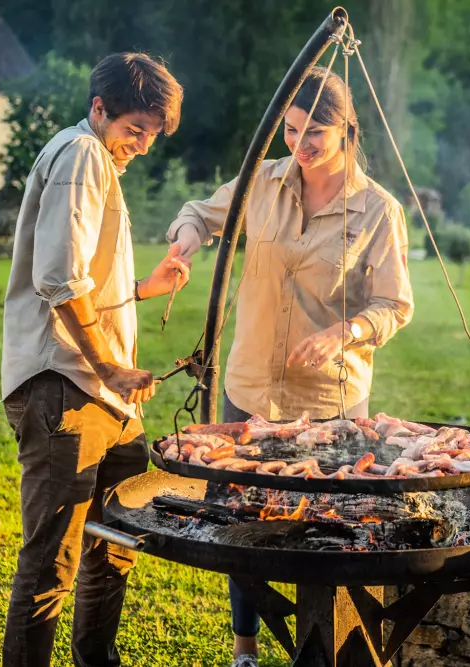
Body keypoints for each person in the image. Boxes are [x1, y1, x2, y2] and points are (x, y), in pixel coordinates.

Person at [165, 67, 414, 667]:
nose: (300, 145)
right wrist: (186, 240)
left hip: (328, 402)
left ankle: (329, 647)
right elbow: (199, 212)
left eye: (315, 134)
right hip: (250, 389)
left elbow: (395, 305)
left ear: (346, 131)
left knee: (325, 531)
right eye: (292, 129)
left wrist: (346, 332)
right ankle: (245, 651)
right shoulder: (263, 181)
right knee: (241, 526)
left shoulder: (378, 210)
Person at [0, 52, 188, 667]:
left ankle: (95, 659)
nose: (143, 143)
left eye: (152, 134)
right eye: (135, 128)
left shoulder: (97, 161)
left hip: (102, 397)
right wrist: (108, 365)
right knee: (51, 555)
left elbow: (87, 275)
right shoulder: (81, 156)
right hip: (65, 387)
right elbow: (57, 280)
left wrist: (140, 290)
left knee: (121, 525)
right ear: (99, 108)